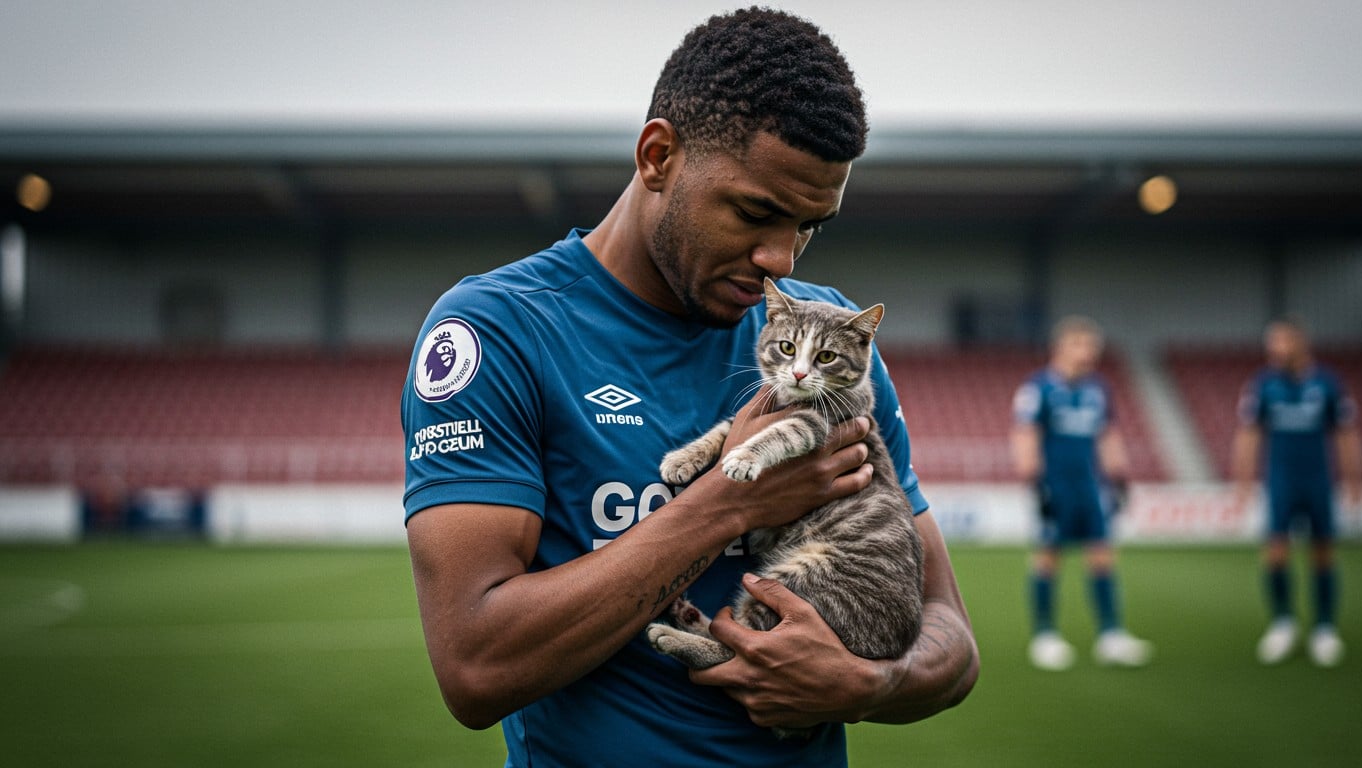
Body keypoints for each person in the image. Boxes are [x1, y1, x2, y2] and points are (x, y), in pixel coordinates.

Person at [400, 9, 978, 767]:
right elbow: (476, 669)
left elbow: (952, 639)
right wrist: (729, 502)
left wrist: (871, 683)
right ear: (658, 156)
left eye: (810, 226)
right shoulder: (498, 330)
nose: (781, 258)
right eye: (756, 212)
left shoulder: (828, 336)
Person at [1010, 315, 1153, 670]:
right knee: (1048, 557)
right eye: (1080, 344)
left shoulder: (1097, 389)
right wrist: (1034, 483)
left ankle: (1111, 635)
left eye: (1092, 346)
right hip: (1055, 486)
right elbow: (1025, 434)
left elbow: (1107, 434)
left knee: (1102, 555)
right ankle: (1045, 636)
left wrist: (1119, 478)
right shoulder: (1039, 388)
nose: (1087, 352)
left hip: (1090, 486)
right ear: (1060, 348)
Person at [1232, 318, 1362, 667]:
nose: (1274, 349)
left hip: (1318, 480)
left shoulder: (1328, 383)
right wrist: (1242, 481)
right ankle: (1283, 623)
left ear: (1300, 343)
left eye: (1281, 342)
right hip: (1280, 480)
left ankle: (1324, 628)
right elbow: (1249, 433)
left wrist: (1355, 481)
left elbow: (1345, 433)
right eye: (1271, 343)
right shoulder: (1263, 384)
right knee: (1276, 552)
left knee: (1323, 553)